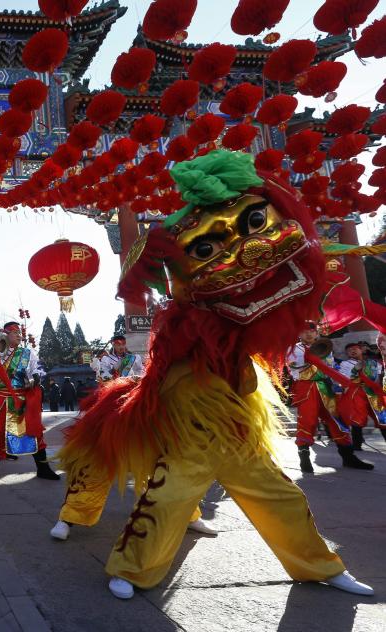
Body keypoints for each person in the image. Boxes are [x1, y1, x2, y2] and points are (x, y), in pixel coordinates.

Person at [54, 150, 373, 600]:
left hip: (235, 407)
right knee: (170, 490)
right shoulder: (181, 327)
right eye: (205, 249)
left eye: (256, 223)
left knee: (278, 494)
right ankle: (131, 565)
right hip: (192, 408)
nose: (249, 252)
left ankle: (320, 566)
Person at [0, 322, 59, 484]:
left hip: (21, 400)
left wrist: (35, 377)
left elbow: (37, 369)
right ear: (6, 334)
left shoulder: (27, 353)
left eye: (20, 333)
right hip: (2, 401)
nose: (19, 335)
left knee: (34, 434)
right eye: (15, 332)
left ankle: (43, 469)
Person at [287, 324, 371, 472]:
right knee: (307, 420)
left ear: (317, 333)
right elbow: (294, 366)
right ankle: (304, 458)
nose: (309, 334)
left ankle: (348, 457)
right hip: (307, 387)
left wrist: (340, 384)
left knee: (337, 420)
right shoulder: (294, 349)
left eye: (312, 331)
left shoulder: (325, 348)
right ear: (299, 334)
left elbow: (331, 368)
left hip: (326, 387)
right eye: (304, 331)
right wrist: (312, 356)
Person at [337, 342, 386, 451]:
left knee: (382, 417)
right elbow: (346, 378)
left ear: (361, 350)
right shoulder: (345, 364)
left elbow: (379, 377)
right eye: (349, 350)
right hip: (357, 392)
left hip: (373, 392)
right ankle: (357, 444)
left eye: (355, 349)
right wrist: (356, 371)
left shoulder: (373, 363)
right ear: (347, 353)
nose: (353, 351)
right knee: (357, 418)